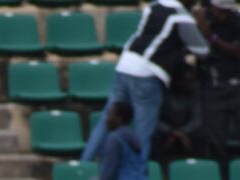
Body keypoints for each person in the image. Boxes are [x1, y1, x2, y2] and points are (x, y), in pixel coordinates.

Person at [81, 0, 208, 164]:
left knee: (107, 119)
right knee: (144, 129)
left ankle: (84, 164)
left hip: (125, 65)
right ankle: (137, 175)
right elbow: (203, 51)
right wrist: (201, 23)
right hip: (147, 74)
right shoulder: (182, 17)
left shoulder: (154, 6)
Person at [195, 0, 240, 166]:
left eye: (225, 10)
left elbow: (237, 51)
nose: (220, 14)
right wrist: (199, 25)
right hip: (213, 83)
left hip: (239, 82)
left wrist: (212, 37)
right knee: (216, 140)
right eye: (218, 9)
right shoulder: (205, 17)